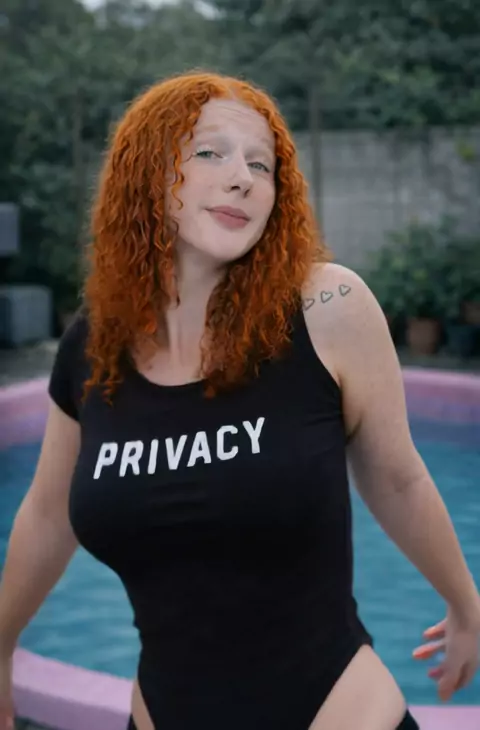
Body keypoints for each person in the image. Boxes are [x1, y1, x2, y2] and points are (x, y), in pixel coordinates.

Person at [0, 70, 479, 730]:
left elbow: (398, 478)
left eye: (261, 164)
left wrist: (466, 603)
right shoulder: (94, 344)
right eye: (210, 152)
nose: (243, 178)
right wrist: (1, 644)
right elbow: (49, 512)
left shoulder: (329, 307)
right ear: (148, 173)